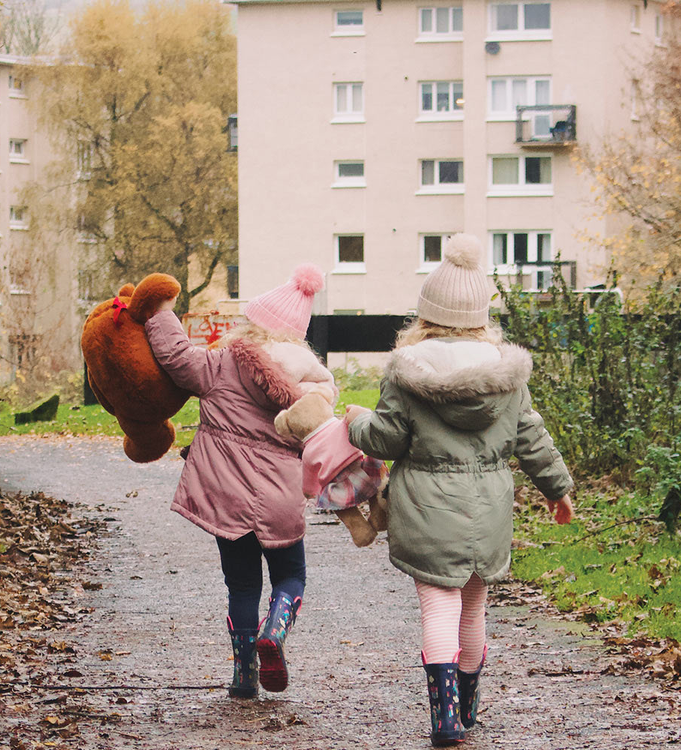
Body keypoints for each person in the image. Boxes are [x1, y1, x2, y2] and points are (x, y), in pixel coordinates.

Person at [345, 234, 574, 747]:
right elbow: (531, 437)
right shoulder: (507, 376)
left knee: (439, 610)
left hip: (426, 508)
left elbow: (387, 438)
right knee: (473, 608)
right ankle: (466, 709)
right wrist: (558, 490)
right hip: (488, 508)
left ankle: (444, 717)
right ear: (481, 316)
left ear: (424, 315)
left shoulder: (407, 372)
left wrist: (356, 423)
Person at [146, 264, 329, 698]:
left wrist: (160, 312)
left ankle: (244, 676)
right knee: (292, 576)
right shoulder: (316, 385)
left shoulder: (222, 363)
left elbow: (175, 358)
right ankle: (276, 629)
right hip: (281, 497)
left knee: (242, 583)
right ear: (297, 335)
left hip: (225, 494)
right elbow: (322, 439)